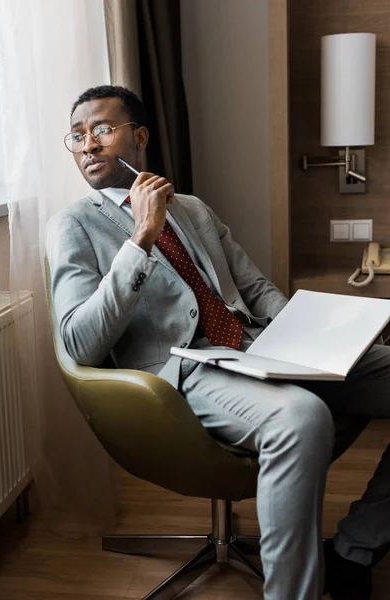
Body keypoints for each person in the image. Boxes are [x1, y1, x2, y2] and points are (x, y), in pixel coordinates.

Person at [46, 85, 390, 600]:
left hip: (261, 344)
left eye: (102, 129)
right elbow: (78, 342)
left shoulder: (192, 208)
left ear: (139, 136)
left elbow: (254, 290)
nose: (88, 145)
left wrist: (322, 328)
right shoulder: (74, 224)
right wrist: (140, 236)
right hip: (184, 369)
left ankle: (353, 552)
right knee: (301, 418)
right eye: (77, 136)